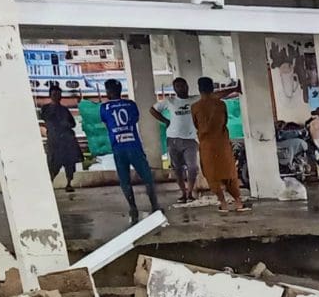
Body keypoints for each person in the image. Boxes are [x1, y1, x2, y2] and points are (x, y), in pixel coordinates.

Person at [99, 78, 160, 223]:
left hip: (118, 147)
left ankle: (133, 208)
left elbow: (107, 124)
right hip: (134, 145)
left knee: (124, 180)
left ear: (108, 91)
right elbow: (135, 119)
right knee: (147, 178)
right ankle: (155, 205)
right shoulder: (130, 104)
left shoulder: (104, 108)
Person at [191, 76, 249, 213]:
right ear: (212, 88)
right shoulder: (220, 104)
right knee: (229, 173)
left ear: (199, 89)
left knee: (212, 175)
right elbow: (225, 121)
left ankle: (223, 203)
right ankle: (238, 202)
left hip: (207, 145)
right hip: (222, 143)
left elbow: (196, 124)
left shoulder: (195, 107)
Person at [149, 77, 200, 205]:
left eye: (183, 85)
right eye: (178, 86)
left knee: (192, 167)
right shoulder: (170, 101)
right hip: (173, 139)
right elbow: (153, 110)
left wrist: (234, 89)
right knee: (177, 169)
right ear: (174, 88)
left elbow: (213, 95)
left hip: (190, 139)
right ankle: (183, 193)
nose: (181, 88)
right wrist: (166, 121)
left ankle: (190, 192)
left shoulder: (195, 99)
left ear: (187, 86)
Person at [39, 83, 82, 192]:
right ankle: (50, 183)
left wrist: (66, 124)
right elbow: (46, 120)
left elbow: (72, 124)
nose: (57, 97)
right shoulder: (46, 109)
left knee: (69, 164)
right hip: (54, 140)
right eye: (54, 94)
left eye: (58, 94)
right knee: (53, 163)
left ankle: (69, 183)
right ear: (50, 95)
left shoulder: (64, 110)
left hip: (66, 141)